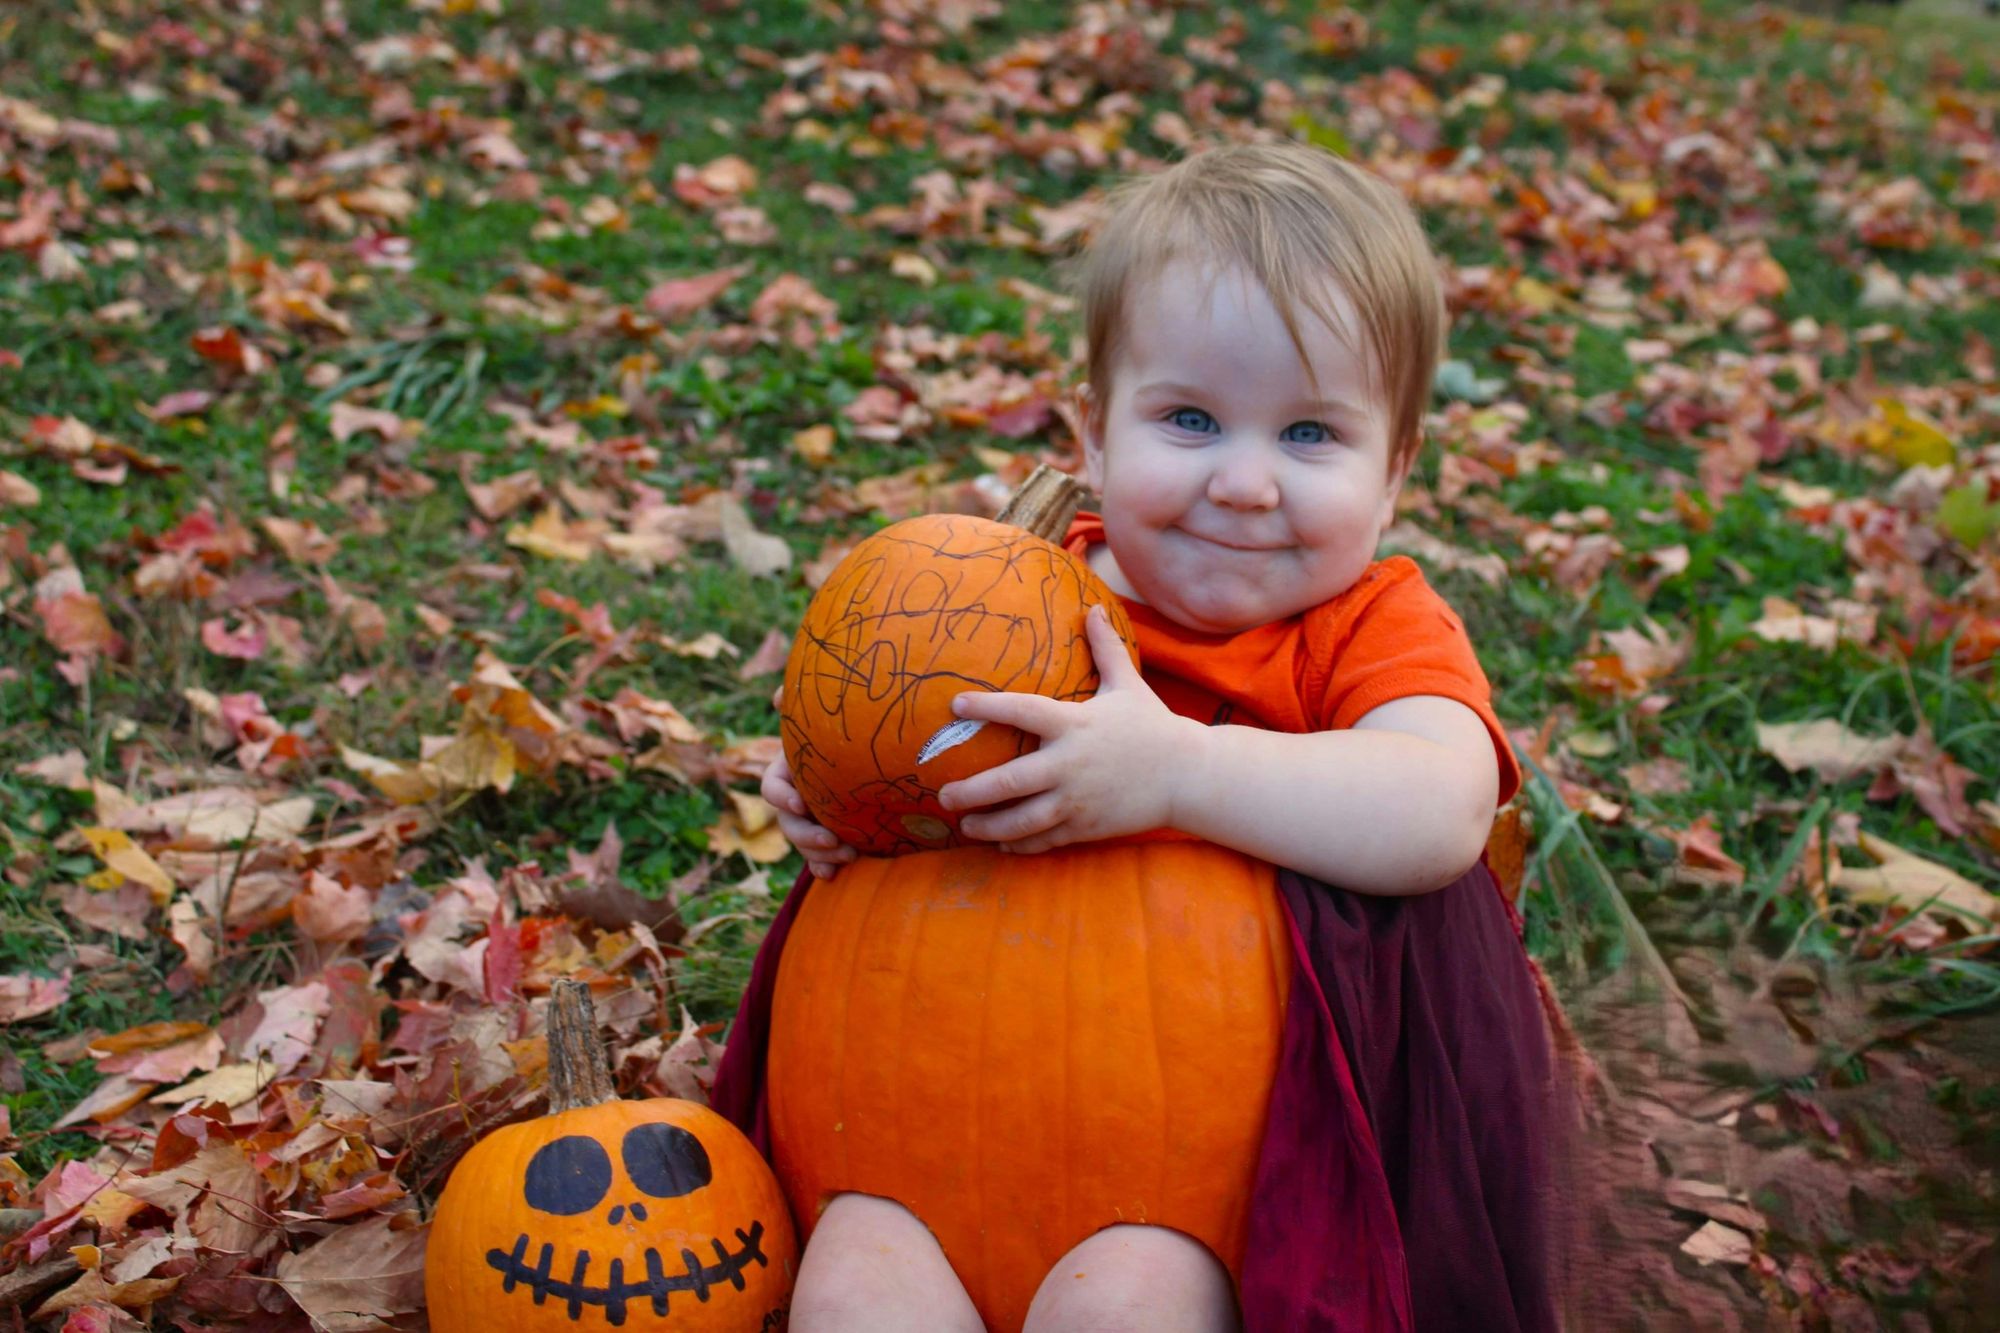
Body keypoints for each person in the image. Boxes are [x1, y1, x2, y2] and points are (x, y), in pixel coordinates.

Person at [730, 140, 1560, 1332]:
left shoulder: (1365, 628)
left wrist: (1179, 770)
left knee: (1126, 1305)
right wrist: (825, 790)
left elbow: (1438, 809)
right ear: (1095, 436)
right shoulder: (1013, 605)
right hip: (906, 1125)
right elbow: (893, 743)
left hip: (1214, 1178)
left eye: (1310, 435)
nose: (1242, 482)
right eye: (1188, 418)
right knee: (856, 1289)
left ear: (1393, 474)